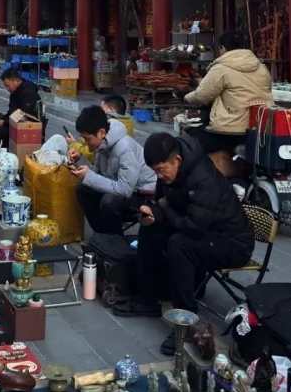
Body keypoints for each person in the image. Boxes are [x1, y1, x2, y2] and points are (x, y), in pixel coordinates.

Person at [114, 132, 254, 343]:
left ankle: (186, 320)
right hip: (202, 230)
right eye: (155, 171)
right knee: (150, 228)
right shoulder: (171, 172)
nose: (159, 177)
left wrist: (164, 209)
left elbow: (192, 227)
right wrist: (153, 213)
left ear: (177, 160)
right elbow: (163, 202)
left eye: (161, 170)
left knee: (179, 244)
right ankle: (150, 300)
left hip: (232, 243)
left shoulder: (203, 179)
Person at [69, 105, 156, 236]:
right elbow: (99, 176)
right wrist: (80, 162)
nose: (86, 144)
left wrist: (89, 176)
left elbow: (124, 189)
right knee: (82, 190)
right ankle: (103, 236)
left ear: (101, 133)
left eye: (87, 139)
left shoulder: (124, 148)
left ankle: (114, 241)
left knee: (109, 201)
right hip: (123, 189)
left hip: (143, 195)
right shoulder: (102, 144)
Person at [183, 30, 272, 156]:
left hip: (229, 130)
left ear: (223, 48)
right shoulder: (261, 67)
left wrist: (186, 98)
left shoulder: (221, 68)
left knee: (190, 141)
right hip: (259, 127)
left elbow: (202, 95)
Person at [0, 68, 41, 147]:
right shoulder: (14, 93)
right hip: (15, 123)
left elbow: (25, 117)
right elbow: (11, 113)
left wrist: (4, 123)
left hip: (26, 127)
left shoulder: (28, 93)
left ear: (16, 80)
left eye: (7, 85)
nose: (7, 88)